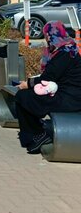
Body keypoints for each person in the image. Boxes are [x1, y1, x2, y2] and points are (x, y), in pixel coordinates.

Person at [15, 21, 81, 153]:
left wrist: (27, 84)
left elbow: (48, 77)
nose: (46, 39)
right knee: (27, 96)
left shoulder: (64, 53)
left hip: (70, 99)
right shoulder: (68, 48)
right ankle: (36, 133)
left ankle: (38, 135)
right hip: (68, 95)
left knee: (23, 97)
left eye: (46, 36)